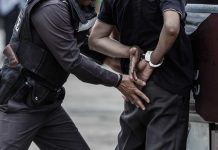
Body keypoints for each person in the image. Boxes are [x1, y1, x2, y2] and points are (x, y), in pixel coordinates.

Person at [0, 0, 149, 149]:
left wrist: (116, 60)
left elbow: (80, 39)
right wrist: (118, 81)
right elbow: (72, 62)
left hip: (47, 102)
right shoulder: (52, 8)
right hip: (19, 103)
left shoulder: (77, 6)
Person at [89, 0, 194, 149]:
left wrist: (131, 51)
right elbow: (171, 27)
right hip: (168, 86)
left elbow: (95, 39)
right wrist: (152, 60)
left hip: (135, 86)